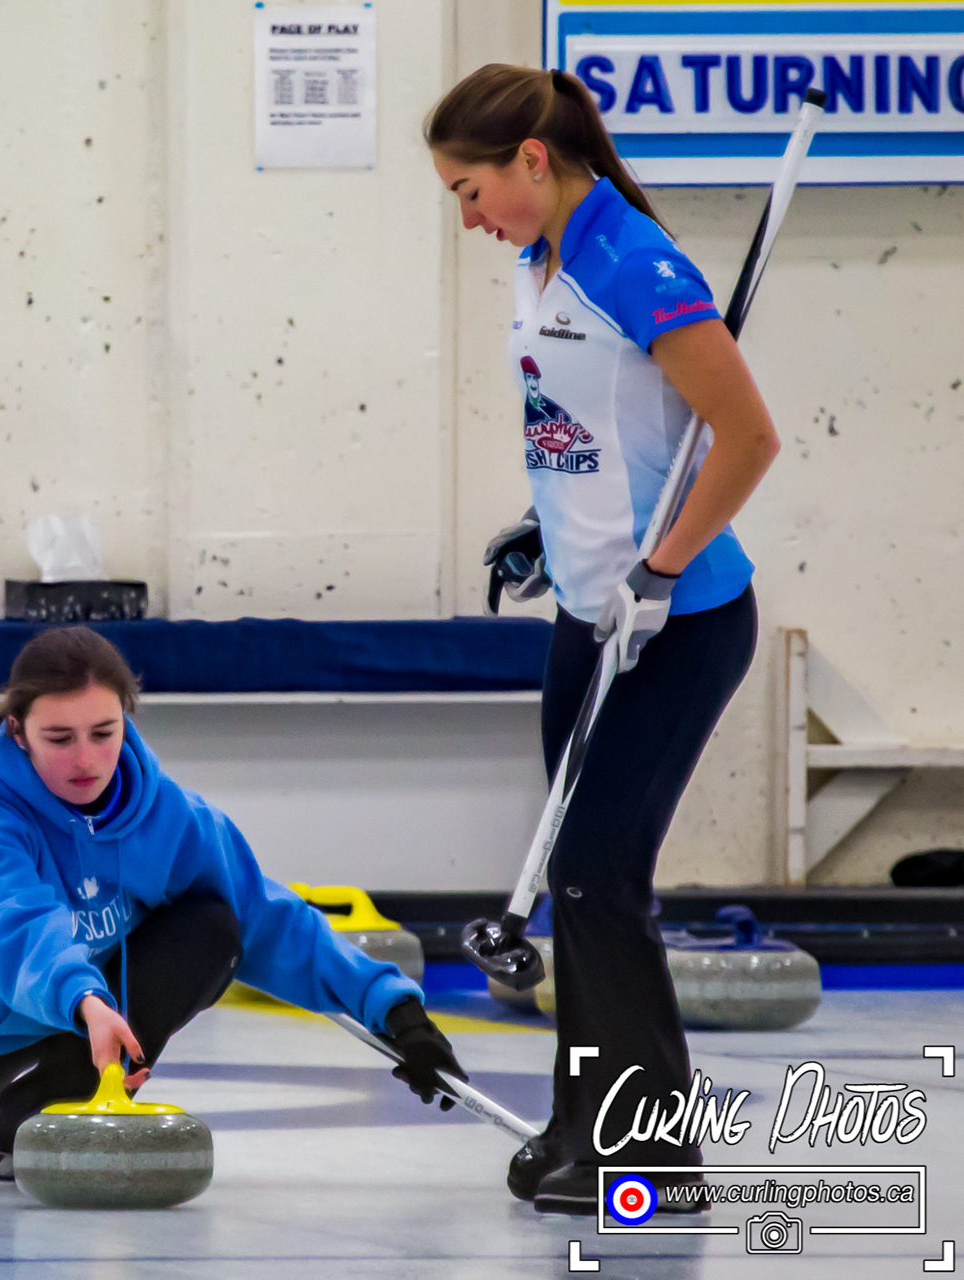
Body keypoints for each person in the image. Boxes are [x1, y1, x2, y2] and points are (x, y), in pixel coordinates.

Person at [0, 627, 468, 1178]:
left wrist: (396, 1013)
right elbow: (17, 926)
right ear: (18, 731)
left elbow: (268, 915)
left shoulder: (166, 814)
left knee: (213, 927)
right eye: (60, 737)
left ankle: (31, 1123)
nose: (85, 759)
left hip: (91, 1010)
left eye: (103, 733)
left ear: (127, 722)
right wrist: (85, 999)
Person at [426, 65, 781, 1214]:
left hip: (679, 622)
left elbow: (746, 438)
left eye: (469, 190)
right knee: (576, 879)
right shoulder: (538, 260)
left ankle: (654, 1157)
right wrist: (548, 530)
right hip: (588, 612)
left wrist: (660, 568)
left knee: (595, 875)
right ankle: (585, 1120)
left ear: (531, 159)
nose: (468, 218)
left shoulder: (635, 264)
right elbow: (589, 426)